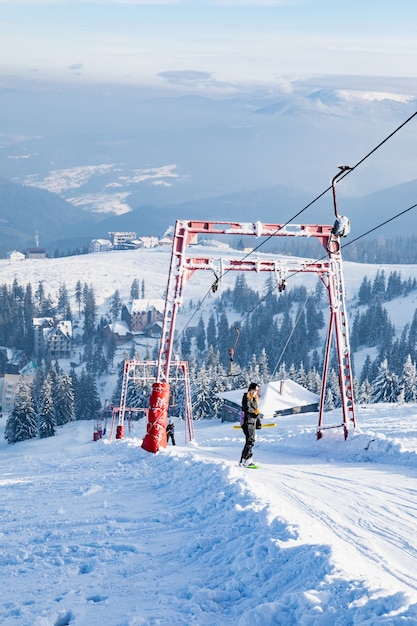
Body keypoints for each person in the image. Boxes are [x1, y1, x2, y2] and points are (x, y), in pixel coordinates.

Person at [239, 382, 260, 466]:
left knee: (249, 441)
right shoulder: (246, 398)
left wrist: (258, 423)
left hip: (252, 423)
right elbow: (247, 409)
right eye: (253, 390)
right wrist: (254, 414)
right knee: (250, 441)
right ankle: (247, 460)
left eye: (255, 391)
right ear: (249, 390)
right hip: (246, 422)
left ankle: (243, 460)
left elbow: (256, 412)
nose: (254, 392)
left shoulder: (254, 400)